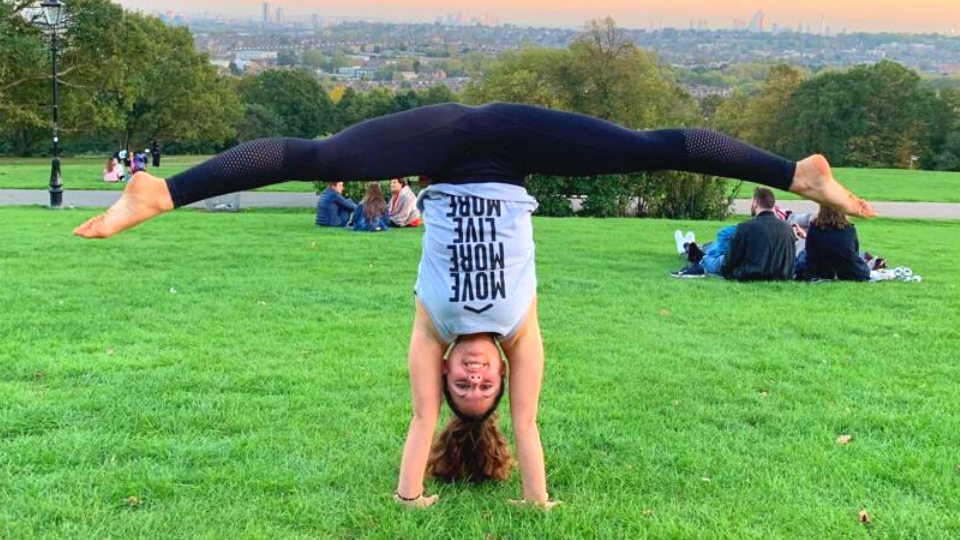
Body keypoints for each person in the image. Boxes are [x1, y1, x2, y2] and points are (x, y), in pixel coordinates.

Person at [72, 102, 875, 507]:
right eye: (483, 386)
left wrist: (413, 494)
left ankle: (159, 192)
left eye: (467, 383)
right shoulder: (521, 337)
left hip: (443, 146)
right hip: (520, 150)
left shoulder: (434, 328)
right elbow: (525, 425)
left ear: (450, 371)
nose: (477, 376)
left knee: (313, 157)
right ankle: (795, 176)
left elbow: (423, 425)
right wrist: (539, 499)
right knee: (651, 145)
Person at [672, 188, 797, 280]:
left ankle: (700, 256)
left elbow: (728, 263)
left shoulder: (746, 227)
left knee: (717, 262)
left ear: (755, 203)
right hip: (781, 275)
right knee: (717, 254)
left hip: (748, 273)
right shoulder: (788, 228)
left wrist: (725, 267)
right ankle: (694, 249)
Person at [802, 205, 871, 281]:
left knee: (802, 256)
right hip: (855, 272)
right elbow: (855, 252)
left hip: (823, 272)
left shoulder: (814, 228)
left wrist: (810, 274)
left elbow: (811, 256)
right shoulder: (849, 229)